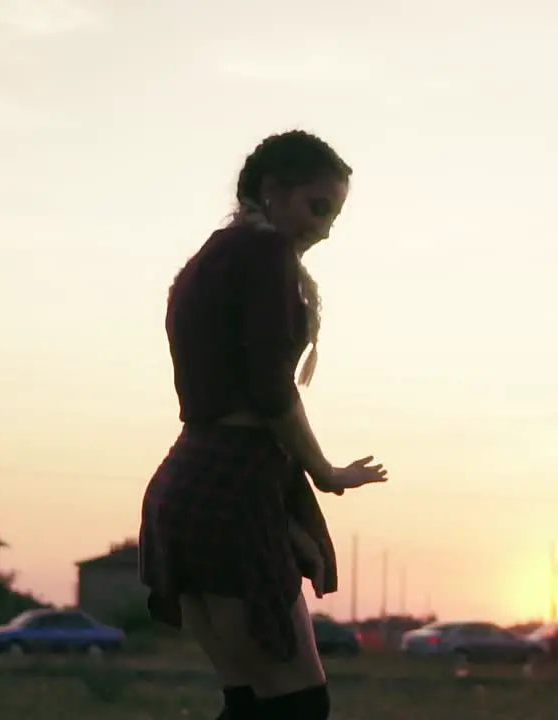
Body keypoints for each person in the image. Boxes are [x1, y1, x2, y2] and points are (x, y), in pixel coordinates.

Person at [139, 130, 387, 720]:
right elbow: (272, 392)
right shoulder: (264, 253)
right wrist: (325, 473)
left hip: (193, 482)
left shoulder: (214, 254)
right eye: (318, 206)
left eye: (335, 215)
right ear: (272, 191)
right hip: (230, 487)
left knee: (252, 704)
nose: (325, 227)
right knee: (297, 705)